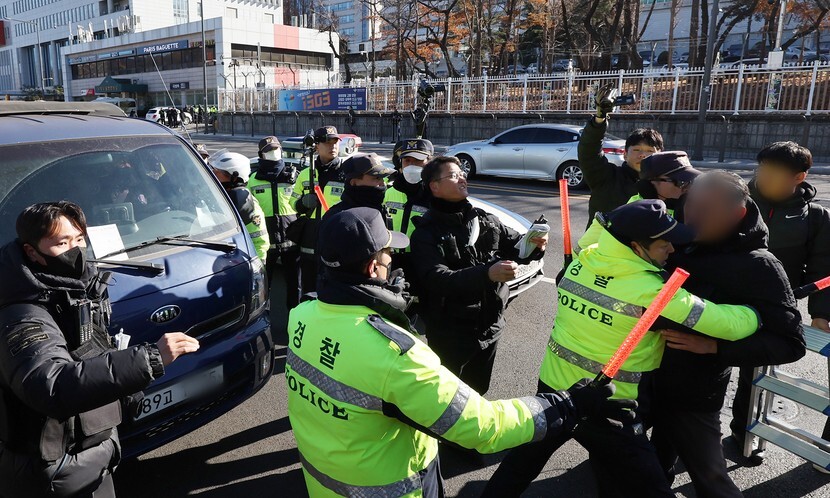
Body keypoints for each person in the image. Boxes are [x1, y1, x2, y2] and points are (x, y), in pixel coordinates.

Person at [288, 207, 636, 497]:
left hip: (323, 479)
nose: (392, 258)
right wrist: (567, 403)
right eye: (387, 252)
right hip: (390, 487)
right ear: (372, 268)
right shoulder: (396, 355)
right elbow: (482, 428)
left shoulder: (303, 314)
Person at [484, 199, 761, 498]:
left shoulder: (583, 261)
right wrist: (759, 313)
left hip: (555, 388)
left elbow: (597, 235)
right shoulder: (653, 292)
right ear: (636, 247)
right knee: (651, 487)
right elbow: (728, 324)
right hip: (611, 404)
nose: (672, 250)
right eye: (664, 244)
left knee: (521, 464)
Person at [0, 201, 199, 498]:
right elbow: (50, 384)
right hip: (55, 472)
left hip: (90, 458)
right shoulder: (22, 313)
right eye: (61, 243)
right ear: (32, 252)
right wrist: (149, 358)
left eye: (79, 239)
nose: (75, 250)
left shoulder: (71, 289)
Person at [650, 171, 806, 497]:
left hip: (694, 394)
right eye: (692, 204)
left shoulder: (759, 266)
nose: (694, 215)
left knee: (711, 478)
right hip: (644, 380)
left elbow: (790, 344)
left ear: (737, 214)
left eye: (708, 209)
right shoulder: (673, 240)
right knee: (648, 467)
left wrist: (714, 348)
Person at [410, 156, 547, 394]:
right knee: (446, 396)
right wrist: (487, 274)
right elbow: (437, 279)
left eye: (462, 172)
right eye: (453, 175)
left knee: (478, 391)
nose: (462, 176)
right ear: (435, 187)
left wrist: (535, 245)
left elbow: (516, 247)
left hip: (490, 325)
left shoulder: (485, 219)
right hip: (450, 330)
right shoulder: (426, 233)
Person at [732, 142, 830, 454]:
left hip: (773, 308)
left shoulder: (815, 217)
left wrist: (820, 312)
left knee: (754, 373)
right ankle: (692, 435)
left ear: (799, 177)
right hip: (725, 298)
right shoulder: (736, 200)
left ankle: (742, 434)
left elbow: (821, 266)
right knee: (707, 366)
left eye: (774, 173)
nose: (763, 177)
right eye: (762, 169)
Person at [578, 150, 700, 250]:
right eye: (681, 182)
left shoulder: (683, 205)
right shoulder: (634, 215)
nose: (688, 188)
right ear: (652, 183)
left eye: (691, 182)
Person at [581, 86, 664, 225]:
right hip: (601, 246)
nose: (643, 155)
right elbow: (588, 151)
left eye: (650, 151)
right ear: (625, 154)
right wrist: (600, 119)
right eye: (637, 150)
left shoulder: (667, 185)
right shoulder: (607, 178)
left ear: (660, 156)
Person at [248, 137, 302, 337]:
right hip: (265, 244)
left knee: (295, 287)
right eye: (270, 151)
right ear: (262, 154)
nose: (275, 154)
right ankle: (263, 326)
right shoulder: (252, 180)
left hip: (291, 242)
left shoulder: (292, 177)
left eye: (277, 150)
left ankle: (295, 326)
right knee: (263, 287)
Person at [291, 126, 346, 294]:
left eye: (335, 142)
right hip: (310, 234)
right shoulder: (306, 174)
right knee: (308, 285)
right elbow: (292, 202)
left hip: (336, 234)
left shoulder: (345, 173)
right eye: (327, 142)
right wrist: (302, 203)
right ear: (316, 146)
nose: (333, 146)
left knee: (334, 285)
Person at [209, 151, 270, 263]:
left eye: (217, 172)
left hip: (237, 262)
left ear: (234, 176)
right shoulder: (221, 196)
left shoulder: (245, 203)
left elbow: (259, 241)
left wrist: (257, 265)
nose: (212, 174)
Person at [319, 152, 394, 223]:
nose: (383, 183)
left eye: (382, 178)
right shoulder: (337, 218)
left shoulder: (381, 211)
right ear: (354, 182)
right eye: (377, 178)